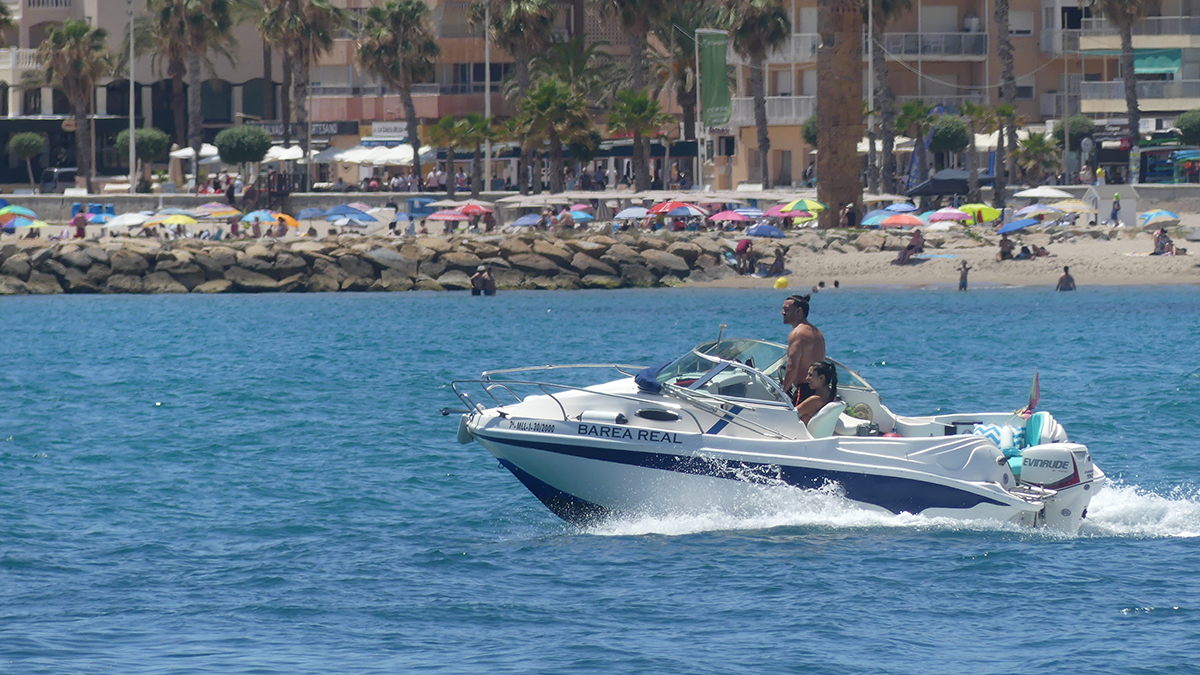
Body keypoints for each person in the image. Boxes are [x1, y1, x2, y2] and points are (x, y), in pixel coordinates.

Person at [780, 294, 827, 407]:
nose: (782, 312)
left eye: (786, 309)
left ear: (798, 311)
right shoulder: (817, 332)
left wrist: (781, 393)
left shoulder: (797, 333)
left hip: (805, 390)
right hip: (820, 390)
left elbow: (792, 367)